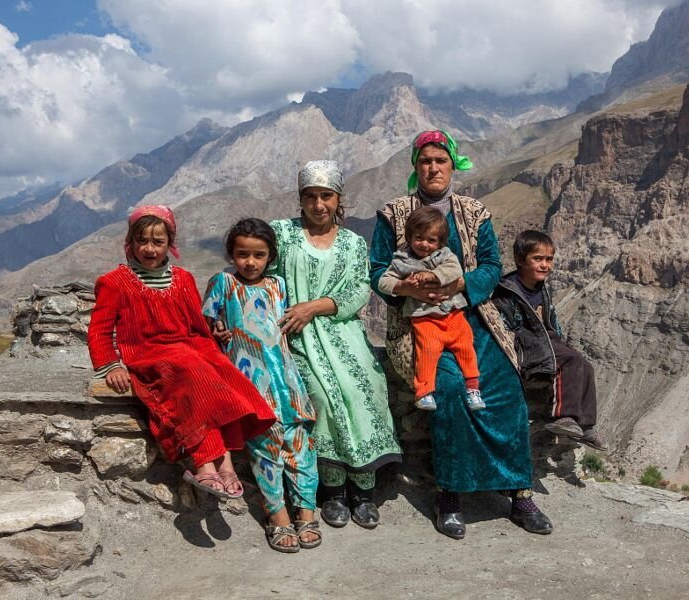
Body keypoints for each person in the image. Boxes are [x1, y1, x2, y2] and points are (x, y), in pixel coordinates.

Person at [370, 130, 552, 539]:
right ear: (415, 169)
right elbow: (377, 269)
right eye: (425, 162)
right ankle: (449, 494)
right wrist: (406, 288)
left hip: (474, 319)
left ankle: (518, 491)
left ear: (453, 165)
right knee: (449, 388)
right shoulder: (393, 214)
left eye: (440, 161)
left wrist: (459, 286)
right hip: (416, 324)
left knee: (504, 385)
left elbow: (490, 264)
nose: (432, 168)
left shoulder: (474, 212)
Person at [87, 205, 275, 501]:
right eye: (142, 241)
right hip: (148, 353)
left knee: (221, 373)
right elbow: (99, 331)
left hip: (188, 347)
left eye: (158, 242)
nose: (149, 249)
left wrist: (213, 346)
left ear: (169, 244)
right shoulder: (114, 283)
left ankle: (224, 462)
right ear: (131, 242)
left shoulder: (184, 279)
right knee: (194, 372)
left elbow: (196, 326)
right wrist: (112, 366)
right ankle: (205, 463)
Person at [270, 160, 401, 530]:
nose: (318, 204)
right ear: (301, 199)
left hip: (342, 330)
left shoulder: (353, 243)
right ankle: (334, 491)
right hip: (296, 335)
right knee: (324, 396)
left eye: (326, 196)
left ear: (338, 198)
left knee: (367, 389)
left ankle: (364, 489)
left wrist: (313, 306)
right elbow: (260, 271)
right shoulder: (282, 234)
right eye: (310, 197)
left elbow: (360, 289)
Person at [202, 218, 321, 553]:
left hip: (287, 382)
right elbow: (206, 325)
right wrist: (218, 332)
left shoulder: (278, 285)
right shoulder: (223, 283)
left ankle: (306, 511)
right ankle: (278, 516)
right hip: (251, 384)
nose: (250, 262)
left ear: (270, 257)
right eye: (243, 254)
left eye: (259, 255)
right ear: (231, 254)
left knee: (301, 448)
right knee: (266, 451)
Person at [493, 230, 608, 451]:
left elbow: (551, 321)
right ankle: (563, 416)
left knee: (586, 366)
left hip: (542, 339)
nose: (545, 265)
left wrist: (558, 340)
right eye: (538, 259)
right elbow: (505, 326)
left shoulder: (540, 289)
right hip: (525, 344)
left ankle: (586, 426)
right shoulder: (507, 290)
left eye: (549, 259)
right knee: (570, 360)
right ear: (519, 259)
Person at [376, 206, 484, 412]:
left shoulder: (445, 256)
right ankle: (424, 391)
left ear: (440, 242)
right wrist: (402, 287)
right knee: (427, 350)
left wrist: (434, 276)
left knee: (465, 345)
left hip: (453, 314)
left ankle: (472, 387)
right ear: (409, 237)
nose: (424, 244)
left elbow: (455, 270)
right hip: (424, 318)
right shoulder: (401, 261)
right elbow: (383, 282)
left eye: (431, 240)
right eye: (419, 238)